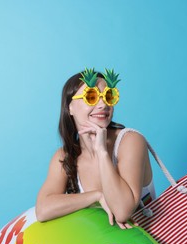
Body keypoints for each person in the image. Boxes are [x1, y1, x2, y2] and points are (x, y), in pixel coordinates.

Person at [35, 68, 156, 229]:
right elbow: (43, 210)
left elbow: (122, 211)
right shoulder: (66, 156)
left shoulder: (130, 141)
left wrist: (102, 151)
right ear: (70, 107)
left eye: (108, 96)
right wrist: (96, 196)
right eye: (91, 97)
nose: (103, 104)